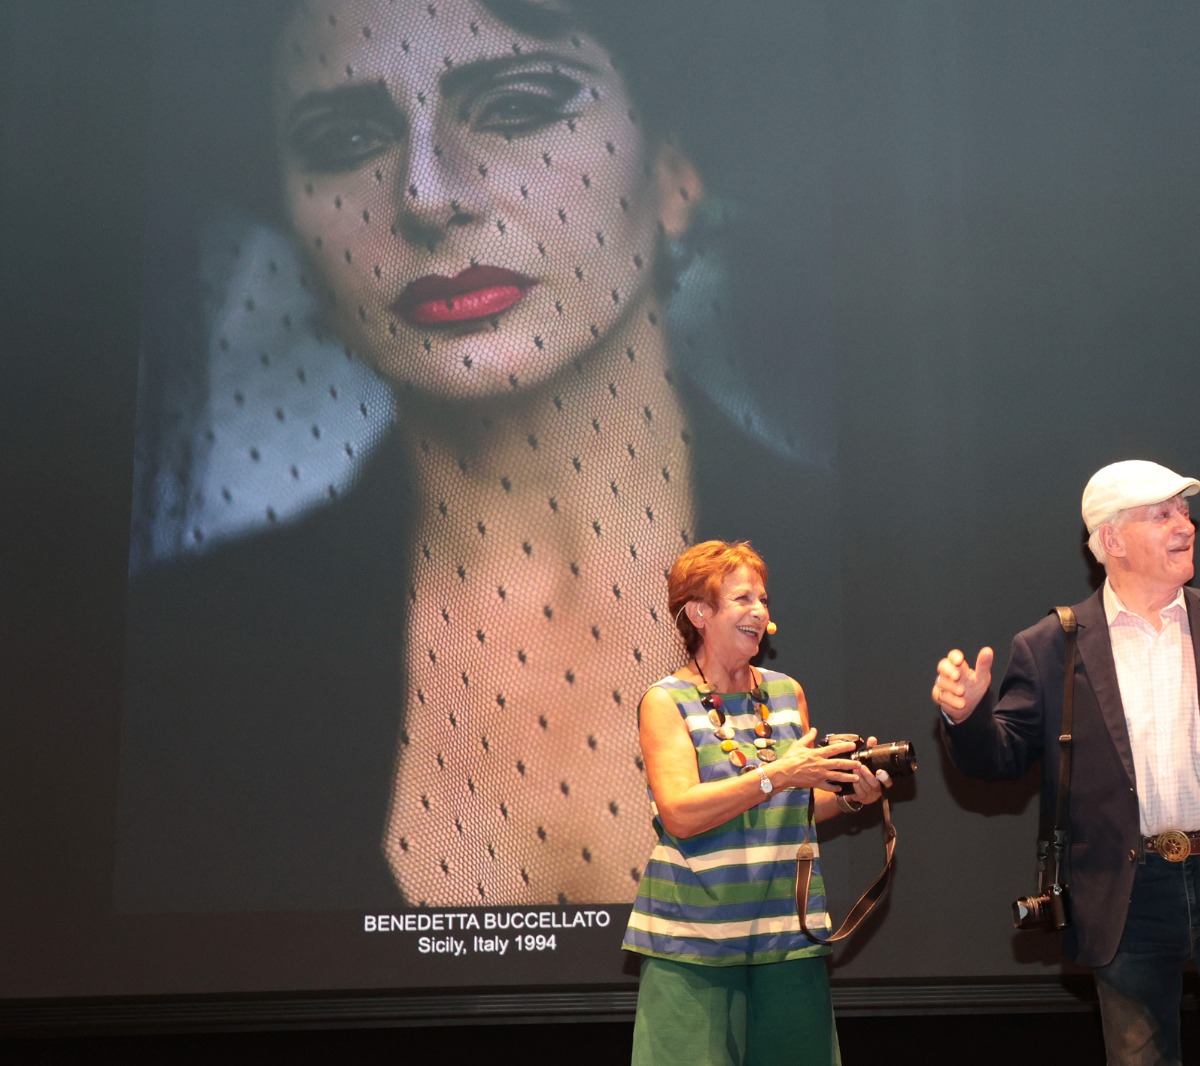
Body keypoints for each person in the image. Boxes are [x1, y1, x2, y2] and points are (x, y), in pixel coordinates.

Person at [115, 0, 835, 912]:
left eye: (519, 106)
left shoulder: (879, 572)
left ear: (673, 167)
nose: (424, 194)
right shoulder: (195, 663)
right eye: (344, 138)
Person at [933, 460, 1200, 1066]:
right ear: (1111, 541)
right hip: (1124, 889)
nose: (1185, 525)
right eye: (1162, 514)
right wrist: (966, 717)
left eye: (1184, 511)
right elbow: (997, 759)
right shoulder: (1051, 646)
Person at [623, 540, 887, 1066]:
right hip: (694, 945)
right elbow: (680, 811)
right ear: (699, 612)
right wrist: (778, 774)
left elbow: (798, 802)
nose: (760, 612)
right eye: (742, 599)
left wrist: (852, 795)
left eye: (763, 600)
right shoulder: (665, 700)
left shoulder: (786, 692)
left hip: (788, 936)